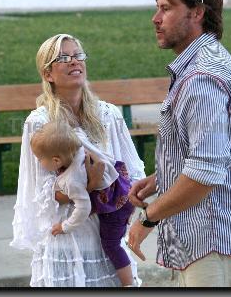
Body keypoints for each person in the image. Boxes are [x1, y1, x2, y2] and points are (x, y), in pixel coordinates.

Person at [127, 0, 231, 287]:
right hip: (217, 245)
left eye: (166, 8)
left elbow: (205, 173)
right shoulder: (206, 64)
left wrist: (147, 218)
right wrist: (159, 180)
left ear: (197, 12)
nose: (155, 18)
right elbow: (213, 154)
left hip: (216, 246)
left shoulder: (202, 78)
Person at [10, 33, 145, 287]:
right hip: (67, 235)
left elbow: (133, 171)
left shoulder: (108, 115)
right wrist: (90, 185)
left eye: (78, 55)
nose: (74, 62)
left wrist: (123, 206)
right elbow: (43, 192)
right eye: (63, 58)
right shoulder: (39, 123)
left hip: (108, 231)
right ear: (48, 74)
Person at [29, 120, 135, 286]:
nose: (39, 162)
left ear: (56, 161)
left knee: (111, 245)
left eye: (40, 159)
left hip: (115, 208)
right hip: (121, 189)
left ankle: (129, 284)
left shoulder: (71, 180)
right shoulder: (77, 141)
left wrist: (65, 226)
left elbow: (83, 208)